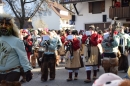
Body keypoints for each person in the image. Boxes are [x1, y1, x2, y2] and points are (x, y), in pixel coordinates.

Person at [0, 13, 32, 83]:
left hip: (12, 73)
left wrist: (27, 70)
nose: (3, 26)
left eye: (7, 24)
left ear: (11, 26)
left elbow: (23, 57)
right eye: (1, 24)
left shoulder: (17, 41)